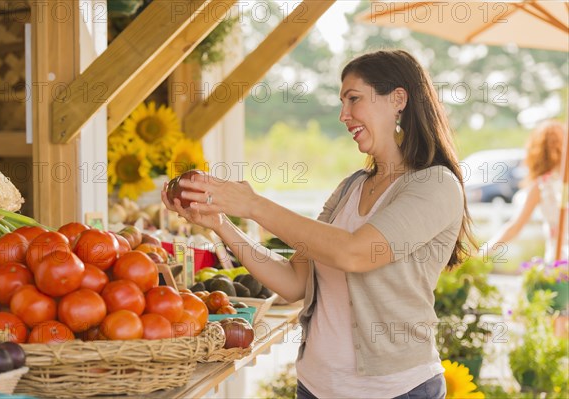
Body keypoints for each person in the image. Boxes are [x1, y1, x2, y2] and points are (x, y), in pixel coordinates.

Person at [162, 49, 476, 399]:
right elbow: (294, 281)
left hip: (394, 390)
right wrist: (221, 225)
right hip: (315, 387)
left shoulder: (434, 185)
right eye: (342, 102)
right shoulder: (350, 189)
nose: (344, 115)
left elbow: (355, 253)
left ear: (397, 99)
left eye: (354, 99)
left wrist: (252, 204)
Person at [482, 120, 567, 262]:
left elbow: (515, 226)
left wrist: (482, 254)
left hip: (559, 263)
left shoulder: (541, 185)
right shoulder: (543, 184)